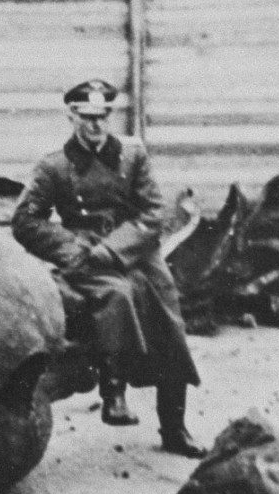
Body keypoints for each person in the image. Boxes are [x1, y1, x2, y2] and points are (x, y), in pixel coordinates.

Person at [11, 79, 205, 458]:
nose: (96, 126)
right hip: (84, 252)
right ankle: (113, 388)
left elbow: (152, 212)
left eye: (102, 117)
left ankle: (174, 429)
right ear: (71, 116)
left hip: (135, 251)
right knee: (115, 297)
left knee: (170, 327)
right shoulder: (54, 166)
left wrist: (114, 248)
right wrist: (70, 248)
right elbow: (26, 220)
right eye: (86, 118)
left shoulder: (133, 156)